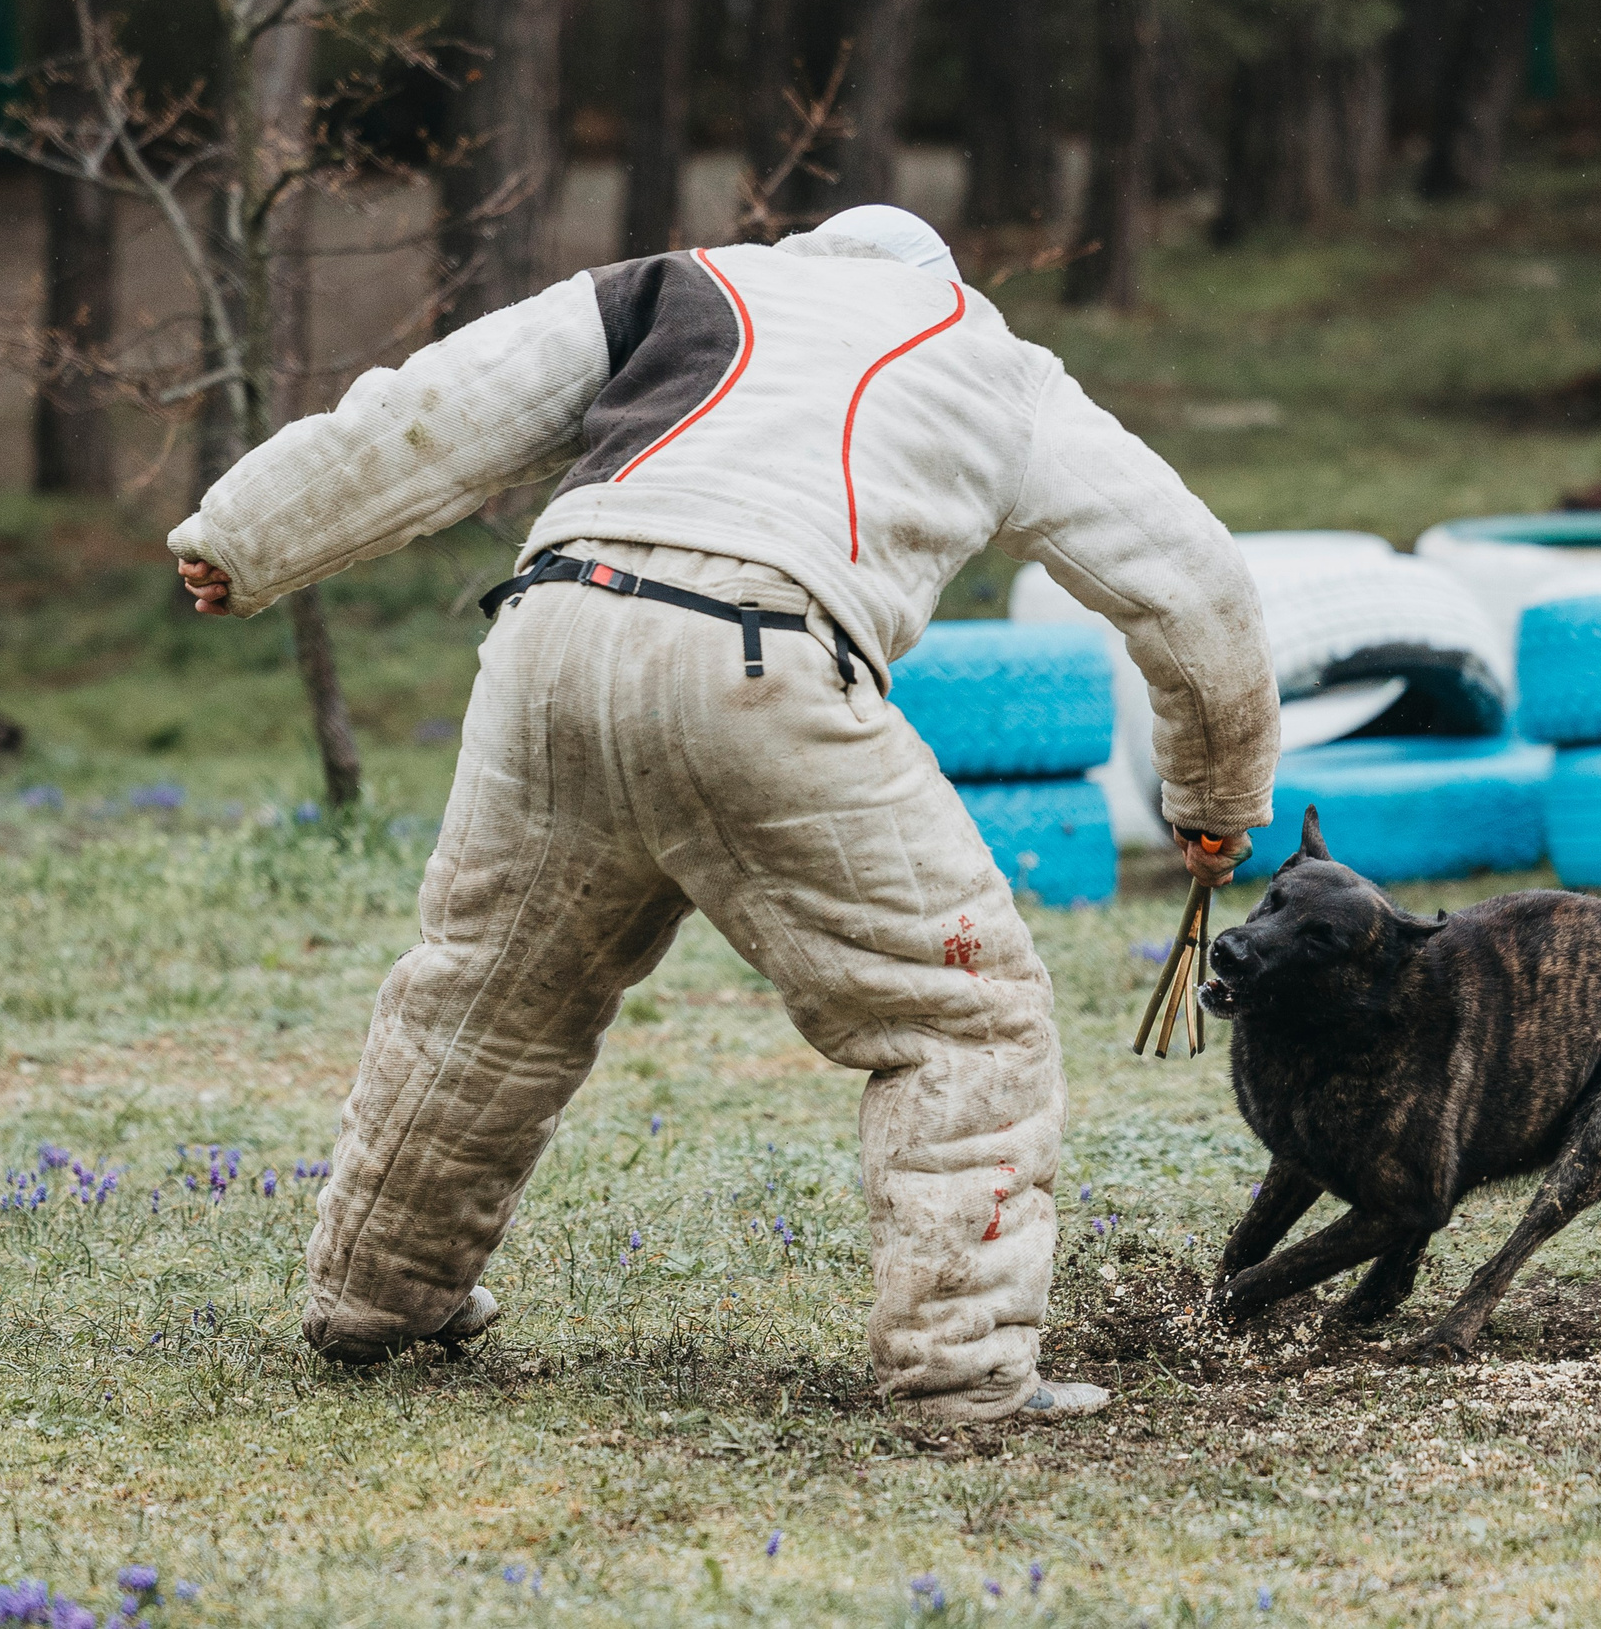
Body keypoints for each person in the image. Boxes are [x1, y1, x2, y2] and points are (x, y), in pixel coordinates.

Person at [169, 204, 1278, 1422]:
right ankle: (961, 1372)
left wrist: (249, 532)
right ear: (941, 280)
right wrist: (1215, 795)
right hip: (762, 653)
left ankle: (373, 1300)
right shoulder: (995, 361)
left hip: (551, 629)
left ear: (806, 256)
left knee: (483, 997)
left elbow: (443, 405)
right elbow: (1190, 583)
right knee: (962, 1018)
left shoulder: (677, 287)